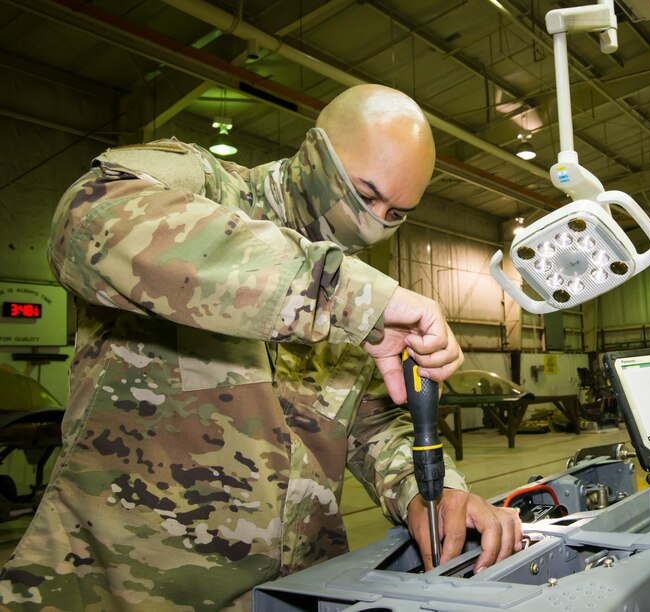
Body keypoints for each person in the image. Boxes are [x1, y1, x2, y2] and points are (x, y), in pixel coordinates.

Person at [0, 84, 521, 610]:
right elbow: (87, 221)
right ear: (316, 151)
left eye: (395, 214)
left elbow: (371, 423)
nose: (374, 222)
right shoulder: (206, 189)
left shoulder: (356, 286)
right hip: (125, 592)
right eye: (364, 195)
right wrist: (344, 294)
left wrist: (428, 491)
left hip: (292, 591)